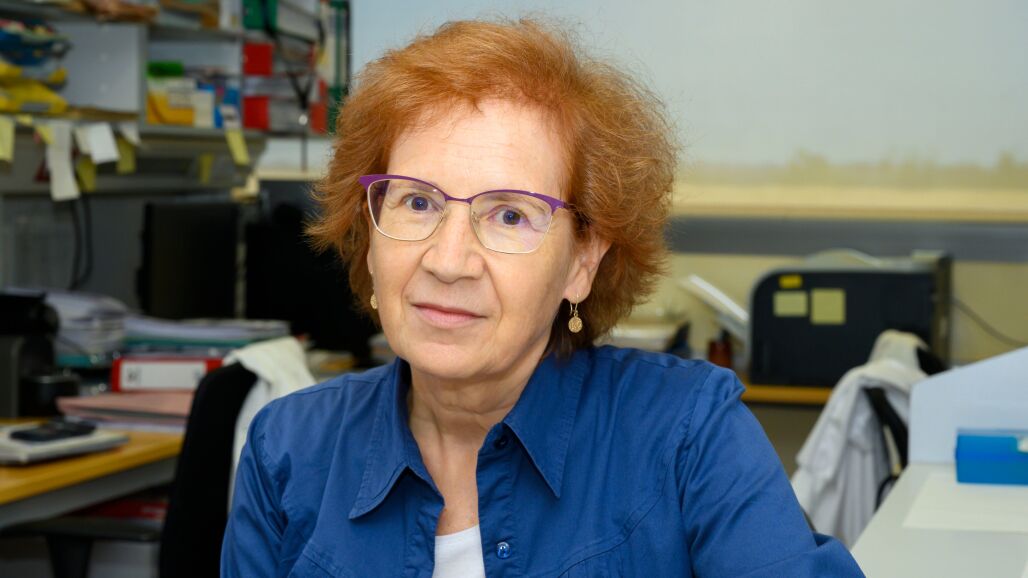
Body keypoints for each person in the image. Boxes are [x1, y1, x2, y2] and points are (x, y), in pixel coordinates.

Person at [221, 19, 864, 577]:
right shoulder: (287, 451)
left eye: (509, 215)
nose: (447, 261)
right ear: (368, 237)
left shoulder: (687, 436)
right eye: (417, 202)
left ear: (582, 262)